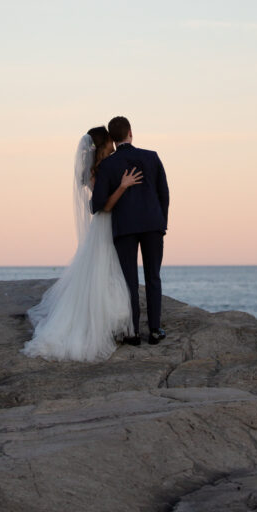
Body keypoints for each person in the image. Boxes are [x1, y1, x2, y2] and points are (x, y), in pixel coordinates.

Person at [22, 126, 143, 362]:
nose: (112, 143)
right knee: (105, 272)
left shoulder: (101, 167)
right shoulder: (97, 173)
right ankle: (107, 325)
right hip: (105, 224)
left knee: (107, 271)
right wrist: (123, 186)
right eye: (109, 140)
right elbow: (105, 206)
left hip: (106, 225)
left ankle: (112, 323)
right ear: (102, 145)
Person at [92, 116, 169, 345]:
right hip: (153, 225)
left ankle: (133, 331)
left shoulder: (107, 165)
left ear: (113, 140)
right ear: (131, 133)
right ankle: (155, 330)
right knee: (153, 276)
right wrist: (161, 223)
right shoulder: (151, 157)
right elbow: (164, 194)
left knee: (129, 282)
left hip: (124, 228)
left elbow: (97, 205)